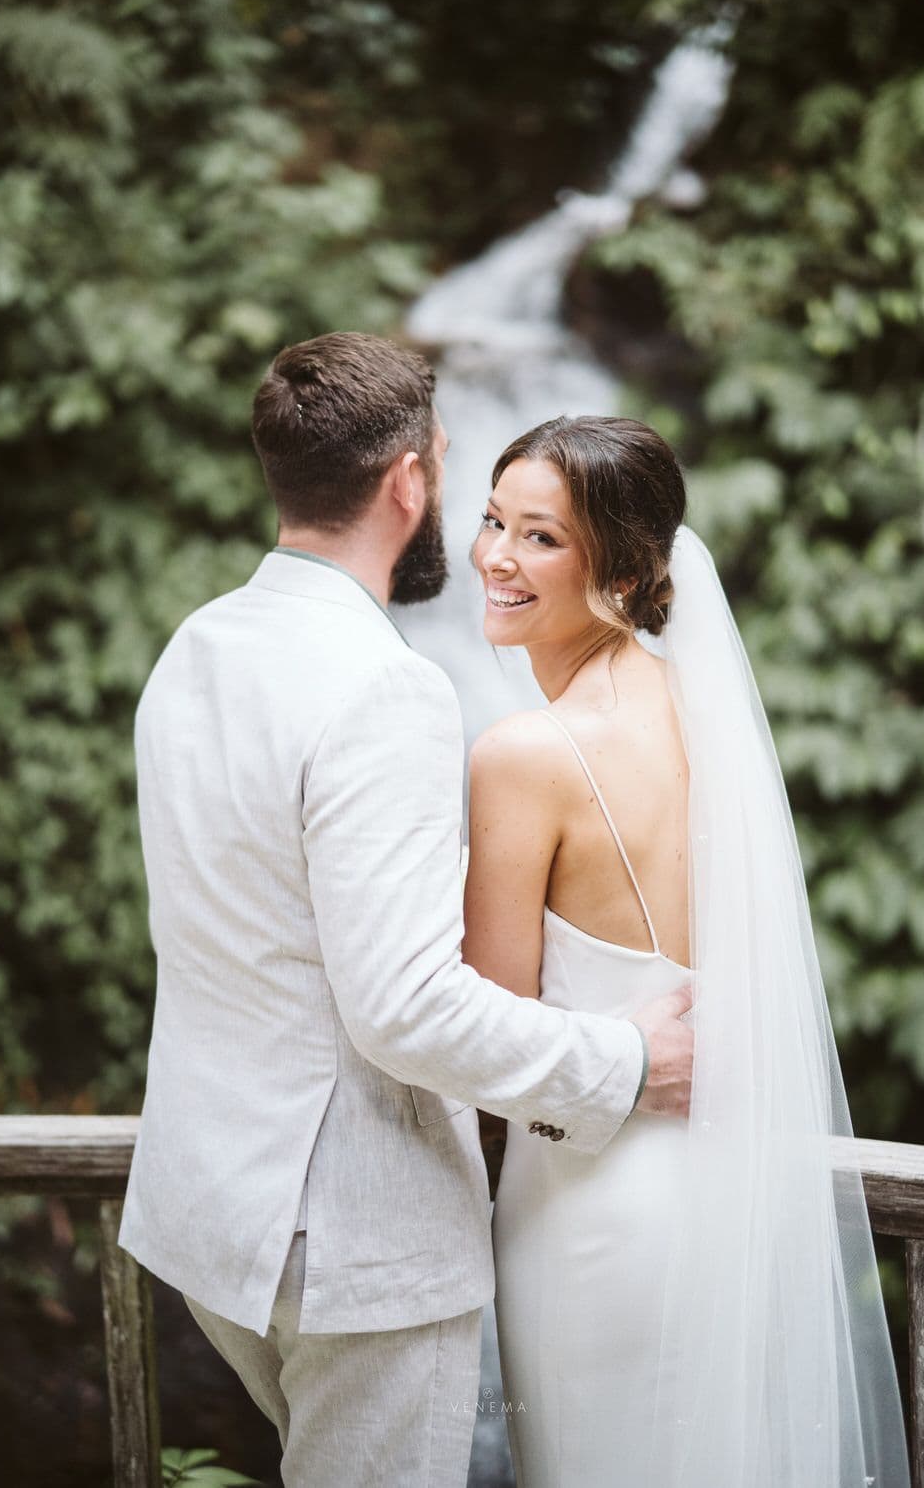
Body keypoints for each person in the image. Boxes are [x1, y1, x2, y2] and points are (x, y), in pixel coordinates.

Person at [117, 333, 695, 1487]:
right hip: (351, 1241)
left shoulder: (198, 647)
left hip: (211, 1216)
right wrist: (625, 1064)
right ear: (409, 481)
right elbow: (402, 1007)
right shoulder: (386, 685)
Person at [465, 415, 911, 1487]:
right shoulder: (703, 709)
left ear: (620, 565)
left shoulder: (523, 756)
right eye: (492, 520)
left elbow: (483, 1032)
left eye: (540, 538)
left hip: (586, 1214)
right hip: (723, 1196)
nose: (495, 557)